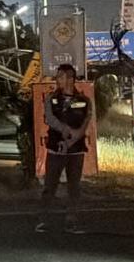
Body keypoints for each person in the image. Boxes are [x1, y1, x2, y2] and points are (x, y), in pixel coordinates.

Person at [36, 64, 93, 234]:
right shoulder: (52, 99)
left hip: (76, 149)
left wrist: (71, 139)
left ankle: (72, 220)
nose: (58, 80)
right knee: (50, 185)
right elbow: (50, 119)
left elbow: (85, 122)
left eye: (61, 76)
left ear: (70, 79)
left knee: (74, 186)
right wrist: (66, 131)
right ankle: (44, 219)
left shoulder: (84, 101)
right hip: (55, 148)